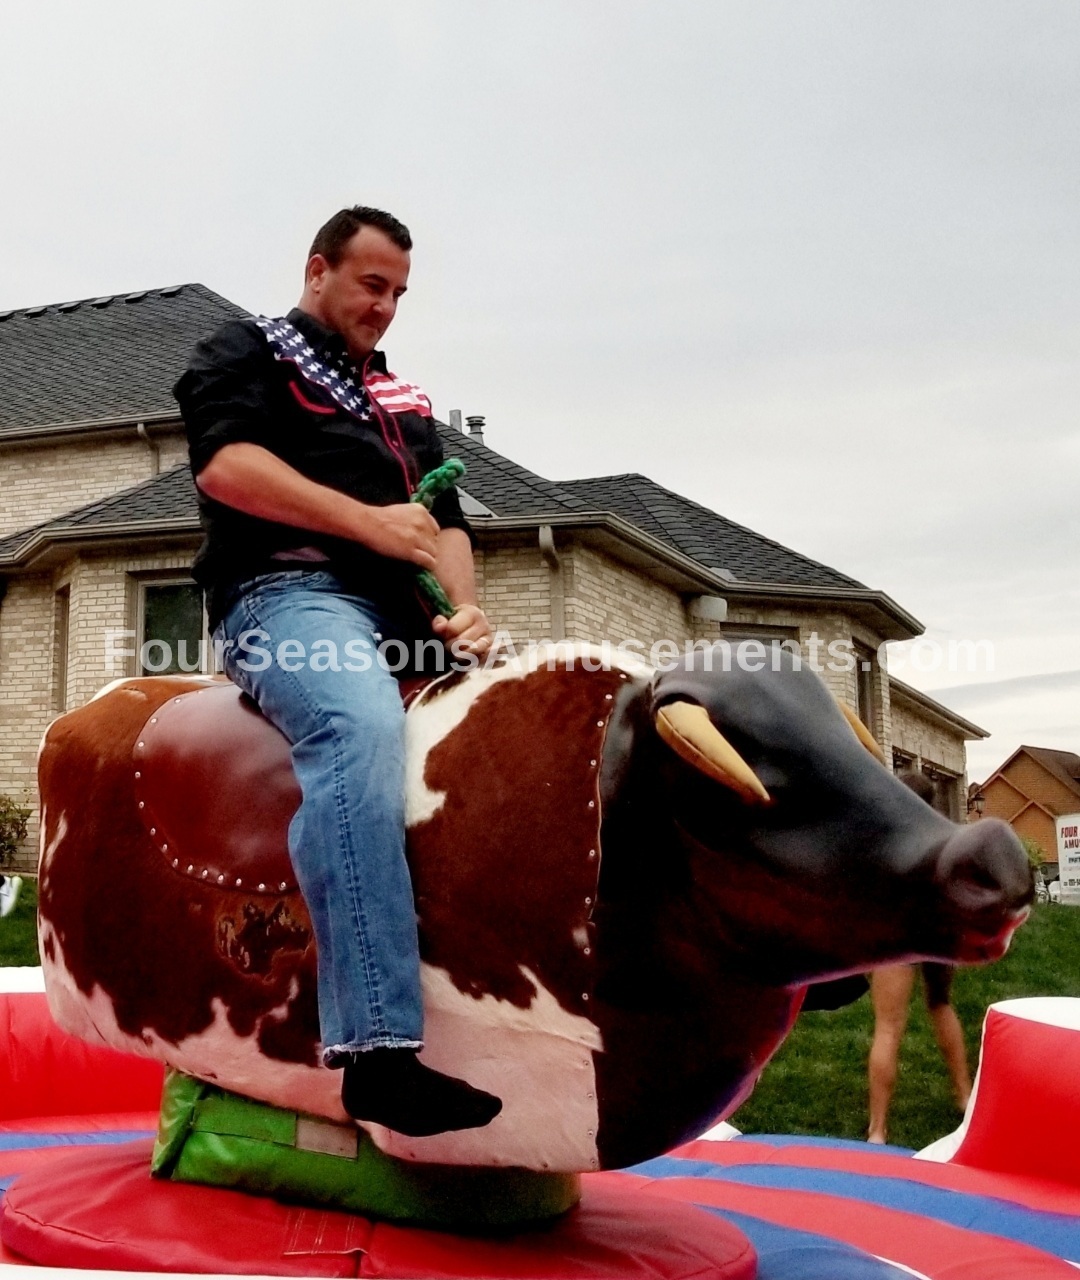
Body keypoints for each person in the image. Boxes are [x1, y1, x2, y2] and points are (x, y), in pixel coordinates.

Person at [173, 206, 502, 1138]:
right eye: (371, 285)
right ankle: (378, 1054)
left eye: (400, 293)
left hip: (411, 617)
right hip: (287, 602)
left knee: (548, 721)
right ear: (318, 270)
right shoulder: (244, 351)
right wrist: (364, 523)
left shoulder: (404, 400)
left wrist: (463, 609)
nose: (386, 307)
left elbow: (445, 526)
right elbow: (227, 467)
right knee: (358, 728)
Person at [866, 770, 972, 1144]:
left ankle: (877, 1129)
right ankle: (963, 1098)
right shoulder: (946, 839)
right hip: (940, 933)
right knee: (941, 1005)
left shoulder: (884, 841)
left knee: (888, 1026)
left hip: (899, 938)